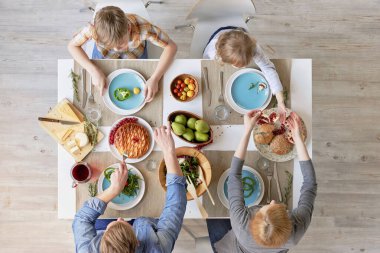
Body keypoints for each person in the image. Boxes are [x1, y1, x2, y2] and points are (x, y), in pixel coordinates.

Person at [207, 110, 317, 253]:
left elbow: (233, 177)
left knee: (210, 213)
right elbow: (310, 184)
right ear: (289, 223)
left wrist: (247, 130)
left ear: (253, 221)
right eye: (278, 208)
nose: (272, 201)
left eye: (264, 207)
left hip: (232, 247)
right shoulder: (295, 234)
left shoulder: (241, 225)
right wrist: (298, 138)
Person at [72, 123, 187, 253]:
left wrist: (113, 189)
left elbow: (82, 219)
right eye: (124, 224)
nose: (120, 218)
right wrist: (169, 152)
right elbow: (176, 206)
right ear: (137, 242)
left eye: (110, 229)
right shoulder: (158, 248)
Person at [67, 6, 177, 102]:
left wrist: (155, 78)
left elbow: (171, 46)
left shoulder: (143, 28)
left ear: (128, 28)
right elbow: (72, 46)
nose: (116, 49)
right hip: (104, 55)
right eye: (110, 45)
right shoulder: (92, 29)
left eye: (121, 44)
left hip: (136, 54)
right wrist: (93, 70)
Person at [203, 28, 287, 122]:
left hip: (240, 33)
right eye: (236, 65)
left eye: (245, 64)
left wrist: (280, 101)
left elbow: (267, 68)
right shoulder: (212, 51)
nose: (241, 68)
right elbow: (205, 59)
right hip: (219, 34)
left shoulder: (253, 48)